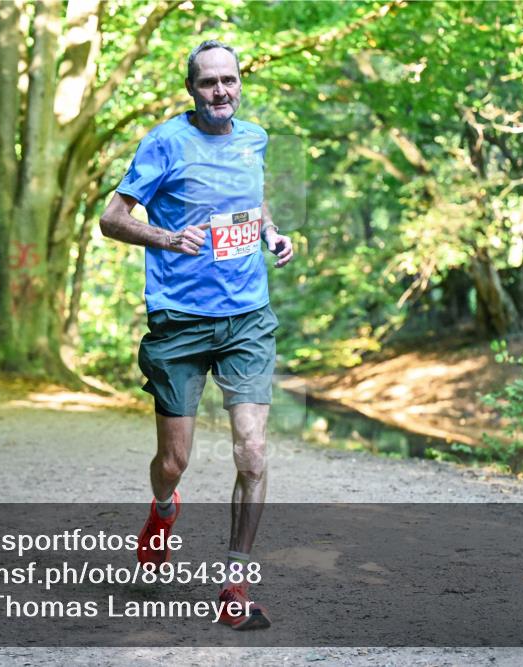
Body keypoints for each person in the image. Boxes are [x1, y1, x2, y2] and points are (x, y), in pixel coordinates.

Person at [98, 40, 294, 630]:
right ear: (191, 88)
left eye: (229, 80)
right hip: (179, 322)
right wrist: (165, 238)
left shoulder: (254, 138)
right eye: (208, 82)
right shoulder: (163, 142)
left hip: (246, 319)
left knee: (252, 451)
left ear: (240, 82)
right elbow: (112, 219)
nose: (220, 92)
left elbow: (251, 203)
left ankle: (235, 582)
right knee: (174, 461)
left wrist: (271, 233)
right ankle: (162, 512)